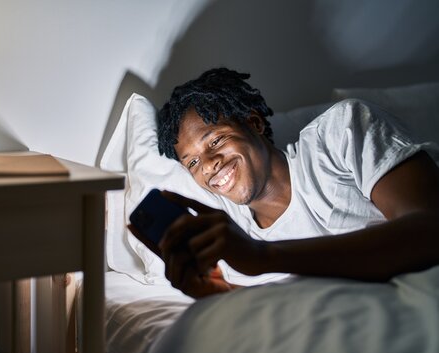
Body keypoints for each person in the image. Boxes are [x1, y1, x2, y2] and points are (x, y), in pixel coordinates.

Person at [142, 67, 439, 299]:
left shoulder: (340, 133)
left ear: (255, 124)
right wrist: (215, 293)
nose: (208, 165)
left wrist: (264, 257)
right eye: (192, 162)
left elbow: (428, 229)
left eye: (216, 140)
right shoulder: (232, 241)